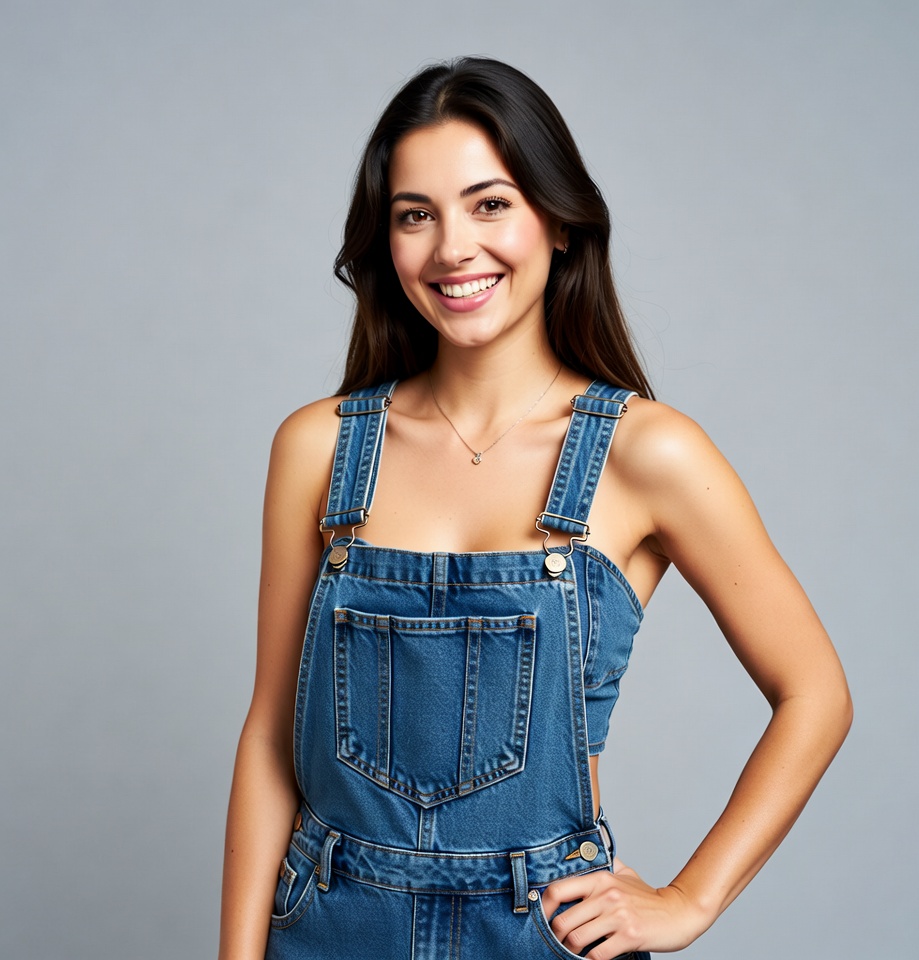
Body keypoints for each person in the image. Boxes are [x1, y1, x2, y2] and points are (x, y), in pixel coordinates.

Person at [219, 57, 852, 960]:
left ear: (558, 221)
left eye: (490, 204)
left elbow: (816, 694)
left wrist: (689, 899)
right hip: (330, 926)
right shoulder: (319, 446)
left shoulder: (647, 453)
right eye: (415, 215)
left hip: (540, 934)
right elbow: (271, 733)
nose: (451, 250)